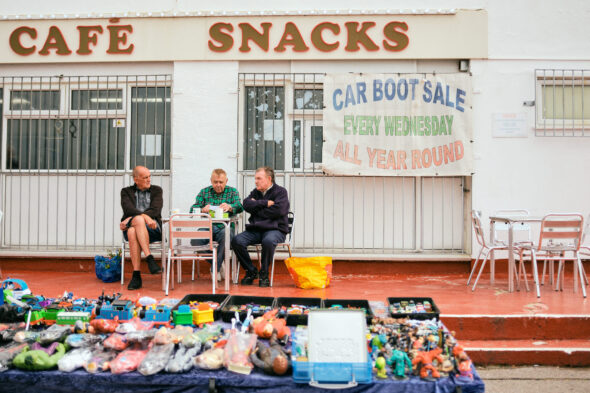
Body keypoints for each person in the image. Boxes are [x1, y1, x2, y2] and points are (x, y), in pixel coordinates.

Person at [231, 166, 290, 287]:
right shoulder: (256, 192)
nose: (256, 181)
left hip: (276, 230)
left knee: (268, 241)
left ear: (269, 179)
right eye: (255, 178)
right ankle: (251, 271)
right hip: (257, 230)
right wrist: (264, 203)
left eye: (259, 178)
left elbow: (279, 211)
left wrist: (256, 209)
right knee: (237, 240)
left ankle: (264, 273)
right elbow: (246, 205)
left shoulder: (281, 192)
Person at [189, 168, 243, 280]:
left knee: (225, 235)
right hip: (209, 227)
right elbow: (192, 209)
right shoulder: (204, 192)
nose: (218, 185)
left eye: (221, 182)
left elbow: (240, 207)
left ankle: (215, 269)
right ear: (211, 181)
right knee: (195, 240)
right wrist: (202, 209)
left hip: (226, 227)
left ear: (226, 181)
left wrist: (230, 207)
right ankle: (217, 263)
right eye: (215, 182)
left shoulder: (232, 191)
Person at [120, 165, 163, 290]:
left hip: (153, 228)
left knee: (135, 224)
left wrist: (134, 218)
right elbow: (128, 209)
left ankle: (136, 276)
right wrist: (144, 217)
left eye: (149, 176)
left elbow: (156, 210)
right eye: (145, 178)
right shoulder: (126, 192)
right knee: (133, 230)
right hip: (133, 227)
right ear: (136, 179)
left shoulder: (157, 190)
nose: (149, 180)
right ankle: (149, 258)